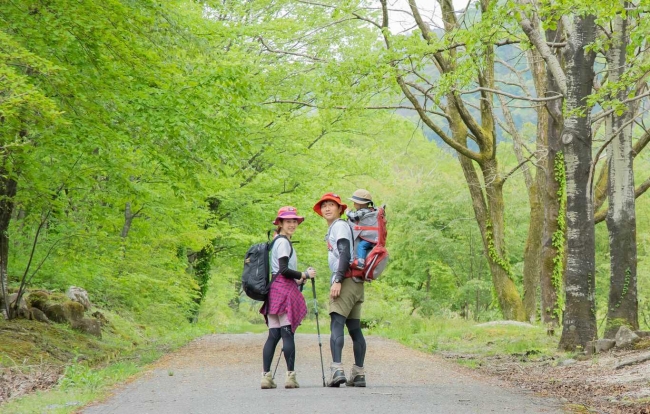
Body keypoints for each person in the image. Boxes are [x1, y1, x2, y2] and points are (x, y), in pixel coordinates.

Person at [313, 193, 367, 388]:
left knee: (337, 323)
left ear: (339, 209)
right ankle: (359, 374)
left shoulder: (339, 226)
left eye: (331, 205)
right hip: (355, 281)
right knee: (354, 328)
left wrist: (337, 279)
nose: (327, 208)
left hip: (345, 280)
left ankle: (337, 370)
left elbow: (344, 252)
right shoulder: (339, 227)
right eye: (324, 205)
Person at [260, 206, 316, 389]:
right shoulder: (283, 242)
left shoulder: (276, 242)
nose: (292, 224)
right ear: (280, 223)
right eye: (288, 221)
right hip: (284, 292)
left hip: (274, 291)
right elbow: (284, 269)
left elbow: (278, 271)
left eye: (294, 221)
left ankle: (266, 377)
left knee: (273, 335)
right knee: (287, 333)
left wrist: (298, 279)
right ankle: (290, 378)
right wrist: (305, 274)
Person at [346, 189, 378, 270]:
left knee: (361, 246)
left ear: (361, 204)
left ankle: (361, 263)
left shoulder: (363, 211)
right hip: (373, 237)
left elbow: (354, 216)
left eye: (355, 203)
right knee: (362, 246)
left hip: (370, 238)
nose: (354, 204)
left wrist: (348, 212)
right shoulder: (369, 210)